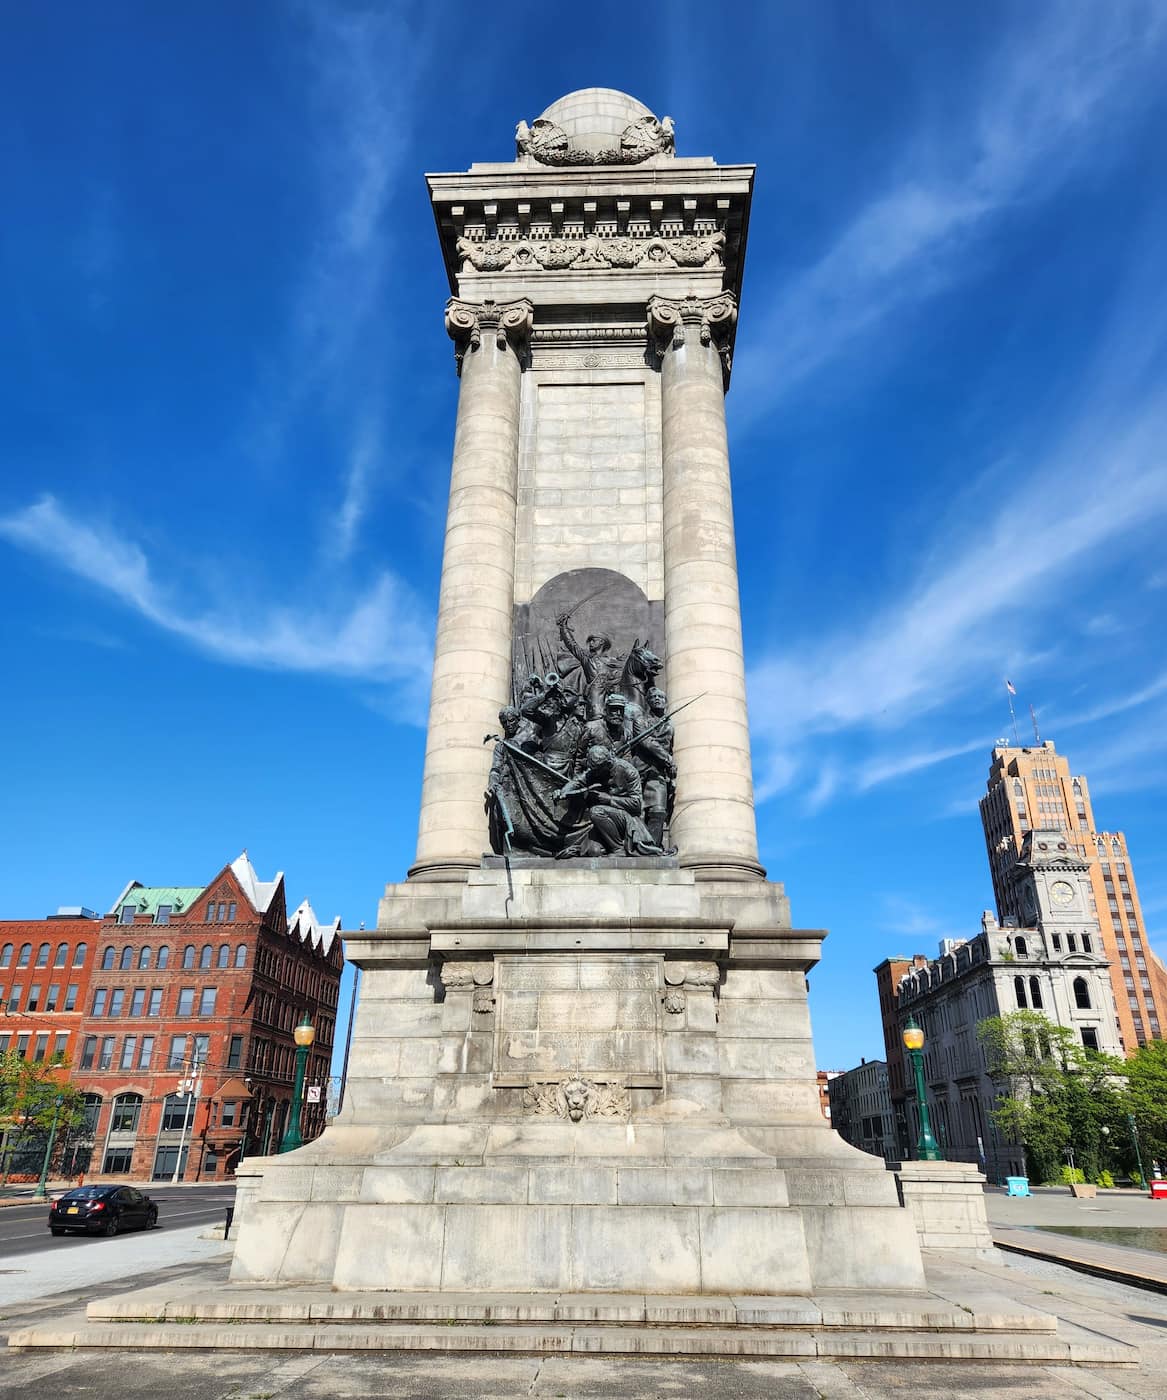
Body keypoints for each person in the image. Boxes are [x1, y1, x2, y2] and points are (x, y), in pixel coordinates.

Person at [556, 745, 662, 857]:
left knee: (596, 811)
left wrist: (609, 799)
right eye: (594, 770)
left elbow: (636, 804)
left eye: (597, 770)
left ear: (608, 764)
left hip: (627, 819)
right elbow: (578, 782)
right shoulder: (597, 770)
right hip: (605, 822)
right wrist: (563, 792)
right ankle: (611, 844)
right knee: (593, 851)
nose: (595, 774)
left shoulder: (628, 771)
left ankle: (618, 849)